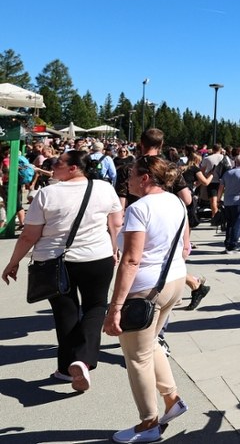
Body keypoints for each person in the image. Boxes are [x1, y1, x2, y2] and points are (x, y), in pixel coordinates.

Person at [2, 150, 122, 390]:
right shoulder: (104, 188)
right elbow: (116, 222)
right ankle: (84, 361)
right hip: (96, 256)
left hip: (53, 260)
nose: (53, 164)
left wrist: (13, 261)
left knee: (65, 313)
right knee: (95, 306)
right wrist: (114, 247)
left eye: (59, 162)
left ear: (74, 167)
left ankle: (67, 368)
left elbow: (29, 235)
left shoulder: (47, 193)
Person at [103, 155, 190, 443]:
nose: (126, 181)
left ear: (144, 178)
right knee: (151, 345)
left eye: (130, 175)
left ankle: (148, 423)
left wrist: (115, 307)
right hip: (174, 280)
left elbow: (130, 260)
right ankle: (171, 398)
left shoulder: (140, 208)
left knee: (136, 358)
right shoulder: (176, 201)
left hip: (145, 289)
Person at [217, 155, 240, 254]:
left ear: (235, 162)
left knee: (229, 223)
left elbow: (221, 187)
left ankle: (227, 244)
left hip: (228, 201)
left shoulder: (227, 173)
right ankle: (232, 245)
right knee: (237, 224)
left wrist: (219, 199)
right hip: (239, 201)